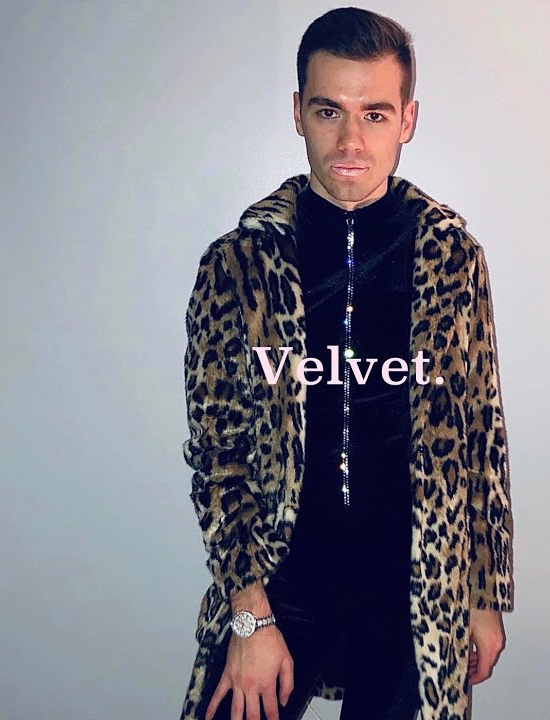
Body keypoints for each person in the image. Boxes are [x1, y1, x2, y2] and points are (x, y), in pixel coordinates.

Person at [178, 8, 514, 720]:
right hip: (282, 581)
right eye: (329, 110)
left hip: (413, 587)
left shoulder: (453, 259)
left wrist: (483, 596)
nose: (351, 141)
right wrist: (249, 615)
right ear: (298, 113)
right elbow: (216, 454)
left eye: (375, 114)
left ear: (407, 120)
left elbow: (481, 434)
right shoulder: (239, 263)